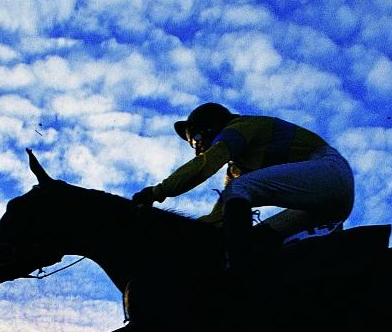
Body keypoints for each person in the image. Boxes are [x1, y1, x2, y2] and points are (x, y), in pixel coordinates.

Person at [132, 102, 355, 272]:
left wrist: (156, 192)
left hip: (330, 170)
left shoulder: (240, 128)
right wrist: (176, 235)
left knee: (237, 195)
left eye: (196, 140)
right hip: (327, 206)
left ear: (211, 128)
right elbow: (218, 219)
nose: (197, 149)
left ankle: (238, 272)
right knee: (259, 237)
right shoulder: (237, 170)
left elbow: (205, 165)